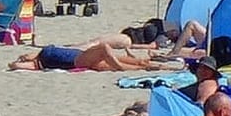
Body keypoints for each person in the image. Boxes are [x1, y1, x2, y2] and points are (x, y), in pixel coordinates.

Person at [9, 39, 158, 72]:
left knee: (135, 62)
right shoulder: (39, 63)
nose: (24, 56)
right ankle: (122, 69)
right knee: (104, 49)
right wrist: (18, 62)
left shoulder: (41, 53)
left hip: (81, 55)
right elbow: (14, 66)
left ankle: (148, 65)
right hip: (76, 60)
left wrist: (24, 55)